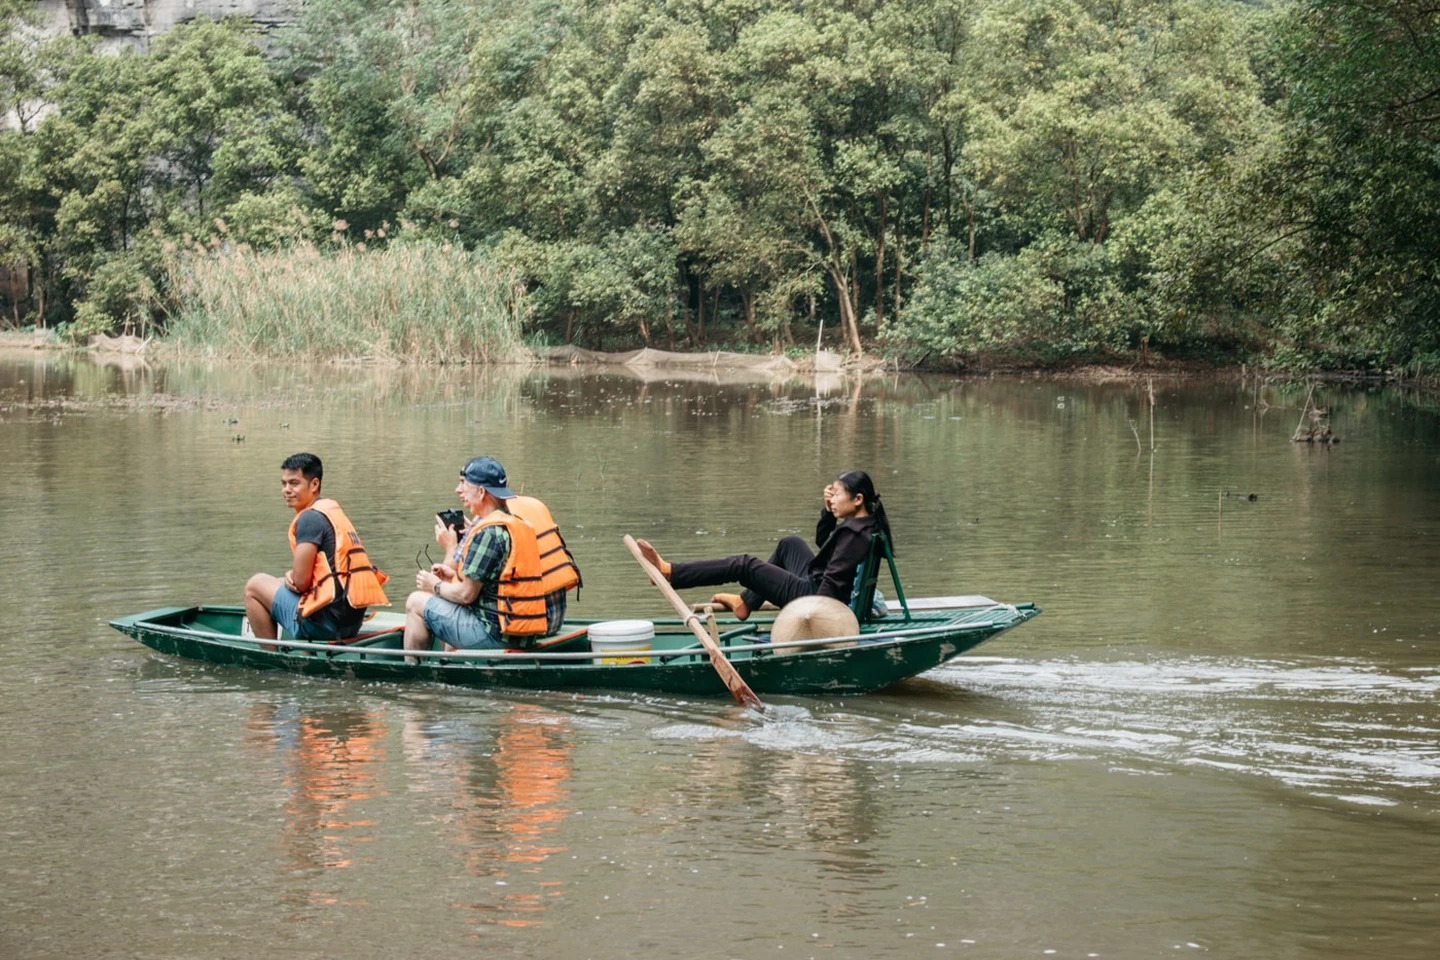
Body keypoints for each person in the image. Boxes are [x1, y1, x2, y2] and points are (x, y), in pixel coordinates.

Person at [636, 469, 891, 620]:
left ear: (857, 499)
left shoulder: (854, 535)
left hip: (814, 599)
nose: (832, 499)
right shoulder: (864, 527)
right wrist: (827, 513)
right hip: (818, 586)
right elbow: (824, 546)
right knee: (790, 544)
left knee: (744, 565)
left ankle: (669, 571)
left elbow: (830, 588)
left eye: (836, 495)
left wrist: (810, 620)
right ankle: (746, 601)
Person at [403, 456, 555, 660]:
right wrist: (450, 577)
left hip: (494, 636)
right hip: (523, 634)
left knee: (415, 602)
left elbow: (466, 595)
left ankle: (413, 674)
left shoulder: (488, 532)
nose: (458, 490)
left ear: (481, 492)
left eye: (463, 483)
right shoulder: (515, 524)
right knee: (446, 601)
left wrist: (435, 585)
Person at [243, 452, 390, 642]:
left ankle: (270, 657)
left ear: (314, 484)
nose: (286, 490)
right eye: (284, 484)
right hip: (351, 623)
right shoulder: (331, 512)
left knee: (254, 585)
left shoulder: (309, 519)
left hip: (326, 626)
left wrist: (292, 577)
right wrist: (289, 578)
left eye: (294, 483)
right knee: (278, 581)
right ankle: (305, 649)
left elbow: (301, 583)